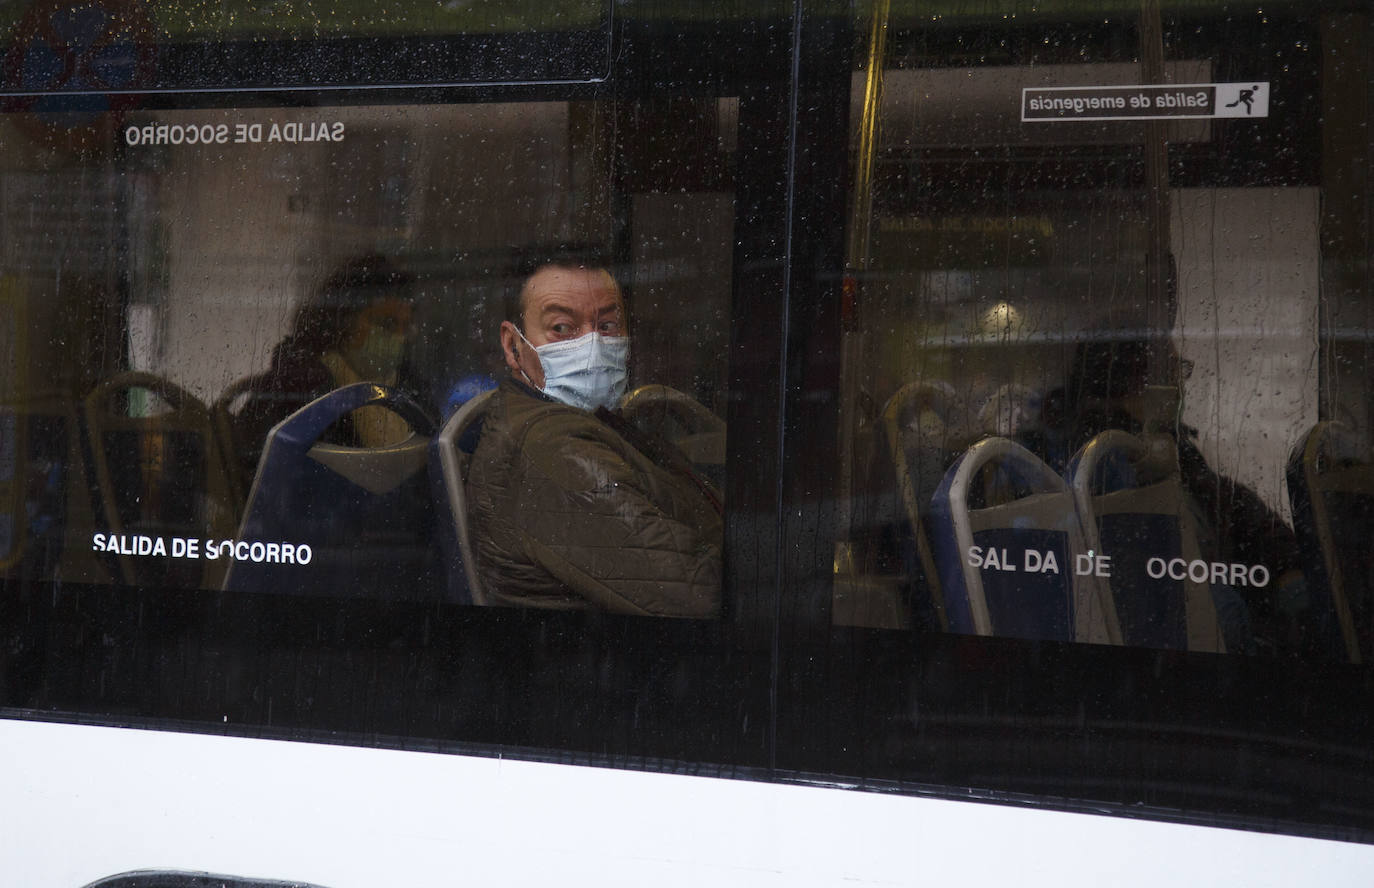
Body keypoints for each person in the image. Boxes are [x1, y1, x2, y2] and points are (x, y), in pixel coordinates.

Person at [464, 254, 723, 617]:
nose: (592, 347)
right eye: (562, 328)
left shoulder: (591, 421)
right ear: (513, 345)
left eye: (607, 325)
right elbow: (698, 594)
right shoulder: (554, 452)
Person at [234, 253, 419, 478]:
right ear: (343, 318)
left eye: (405, 328)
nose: (398, 338)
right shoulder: (295, 390)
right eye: (386, 324)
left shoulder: (411, 394)